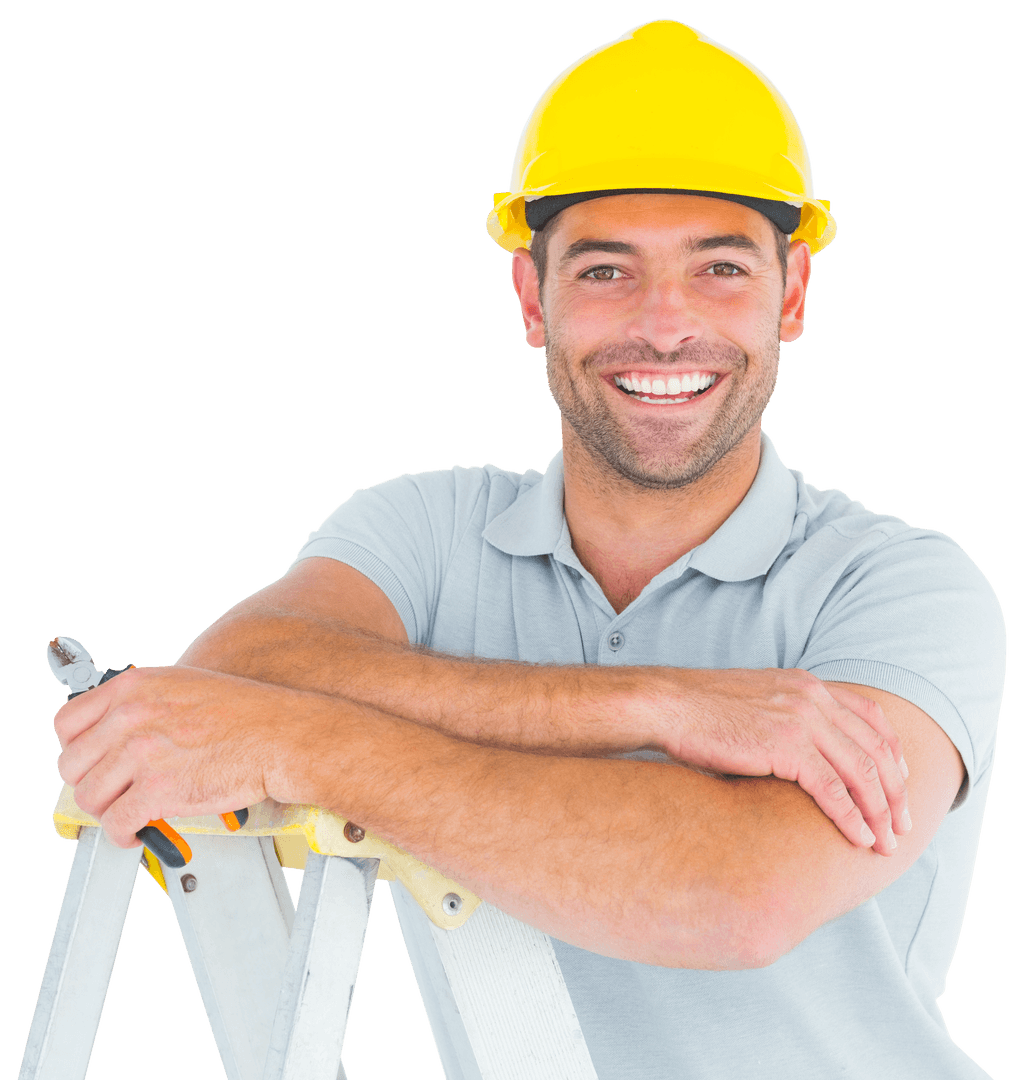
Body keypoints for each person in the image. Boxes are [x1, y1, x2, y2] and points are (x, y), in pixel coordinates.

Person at [53, 19, 1005, 1078]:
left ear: (791, 295)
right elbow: (234, 680)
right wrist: (659, 705)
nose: (664, 325)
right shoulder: (426, 528)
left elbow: (737, 897)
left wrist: (311, 744)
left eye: (720, 268)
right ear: (529, 298)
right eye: (604, 271)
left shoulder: (903, 587)